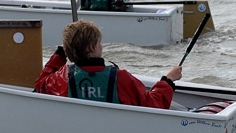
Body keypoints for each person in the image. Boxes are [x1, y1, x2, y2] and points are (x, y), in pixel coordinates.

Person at [34, 20, 180, 108]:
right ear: (92, 47)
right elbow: (155, 104)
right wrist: (168, 81)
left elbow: (40, 85)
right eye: (99, 43)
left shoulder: (61, 78)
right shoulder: (121, 78)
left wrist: (60, 55)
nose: (101, 47)